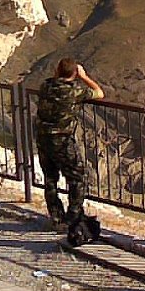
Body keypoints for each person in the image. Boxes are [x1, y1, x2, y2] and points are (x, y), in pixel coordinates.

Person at [35, 57, 104, 229]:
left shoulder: (46, 86)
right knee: (77, 177)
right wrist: (84, 76)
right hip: (63, 141)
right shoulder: (74, 91)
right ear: (75, 73)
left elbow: (53, 79)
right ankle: (72, 218)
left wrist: (60, 73)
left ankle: (56, 217)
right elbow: (99, 92)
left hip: (43, 139)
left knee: (50, 179)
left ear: (57, 71)